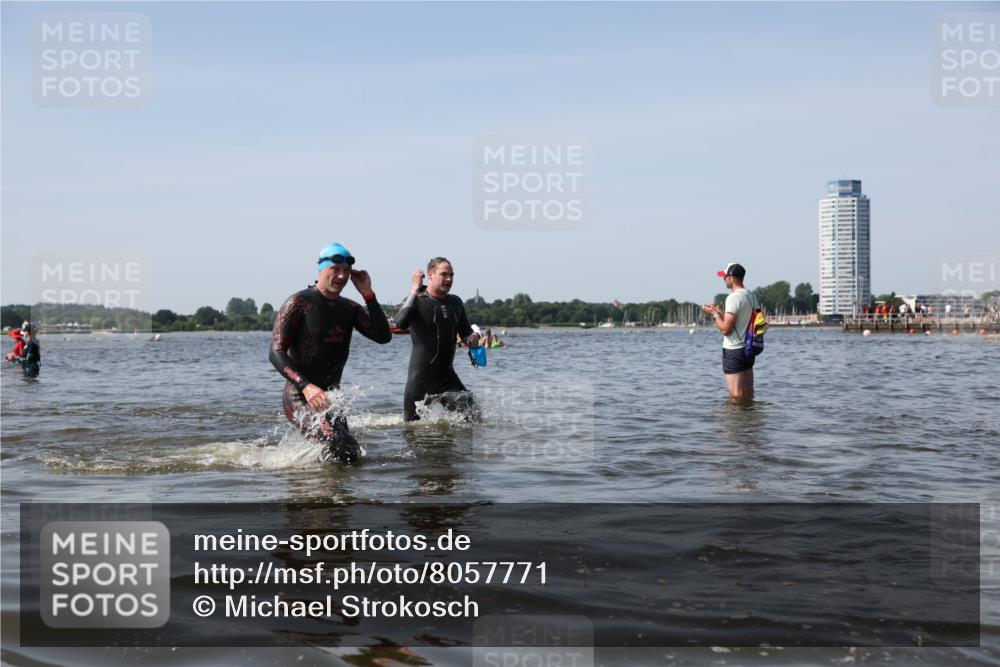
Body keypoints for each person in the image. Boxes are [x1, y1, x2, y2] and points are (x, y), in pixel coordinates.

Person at [269, 243, 392, 463]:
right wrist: (306, 386)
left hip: (331, 396)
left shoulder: (350, 308)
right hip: (300, 394)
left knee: (350, 453)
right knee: (335, 445)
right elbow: (276, 352)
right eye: (335, 270)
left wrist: (368, 294)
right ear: (320, 269)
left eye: (346, 271)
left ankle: (321, 490)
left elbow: (383, 336)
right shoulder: (299, 303)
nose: (341, 276)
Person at [396, 257, 480, 422]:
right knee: (412, 430)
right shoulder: (418, 300)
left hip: (447, 378)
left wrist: (472, 338)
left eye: (451, 275)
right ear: (431, 275)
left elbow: (465, 331)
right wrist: (415, 288)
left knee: (471, 415)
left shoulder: (455, 302)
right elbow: (401, 322)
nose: (449, 279)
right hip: (420, 381)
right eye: (444, 274)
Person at [702, 262, 759, 399]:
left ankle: (734, 420)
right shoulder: (751, 295)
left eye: (725, 276)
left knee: (735, 395)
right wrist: (720, 312)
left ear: (732, 278)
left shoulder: (733, 298)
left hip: (734, 350)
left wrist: (714, 315)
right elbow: (743, 320)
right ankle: (749, 419)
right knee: (748, 393)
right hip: (748, 348)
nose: (724, 279)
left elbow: (726, 330)